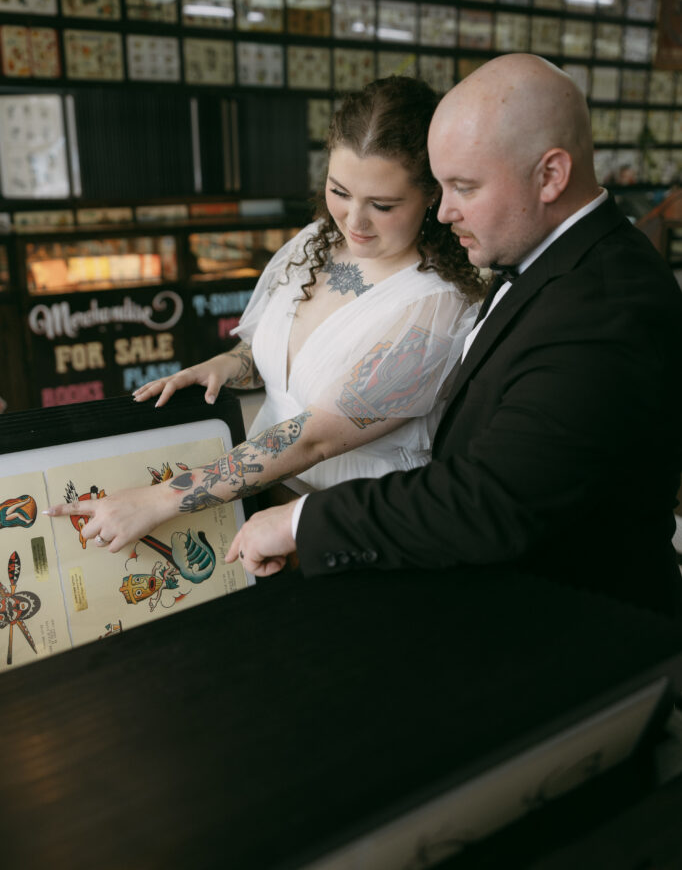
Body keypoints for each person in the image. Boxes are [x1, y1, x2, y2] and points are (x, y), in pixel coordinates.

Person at [228, 53, 682, 618]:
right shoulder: (548, 258)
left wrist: (303, 522)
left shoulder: (605, 304)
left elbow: (492, 498)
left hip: (579, 624)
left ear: (551, 175)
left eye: (464, 187)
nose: (443, 213)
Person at [44, 76, 483, 550]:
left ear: (432, 195)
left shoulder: (435, 307)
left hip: (343, 526)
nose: (354, 221)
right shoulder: (319, 240)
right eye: (339, 191)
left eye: (382, 205)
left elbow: (312, 439)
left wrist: (158, 501)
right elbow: (267, 350)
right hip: (259, 495)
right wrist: (228, 365)